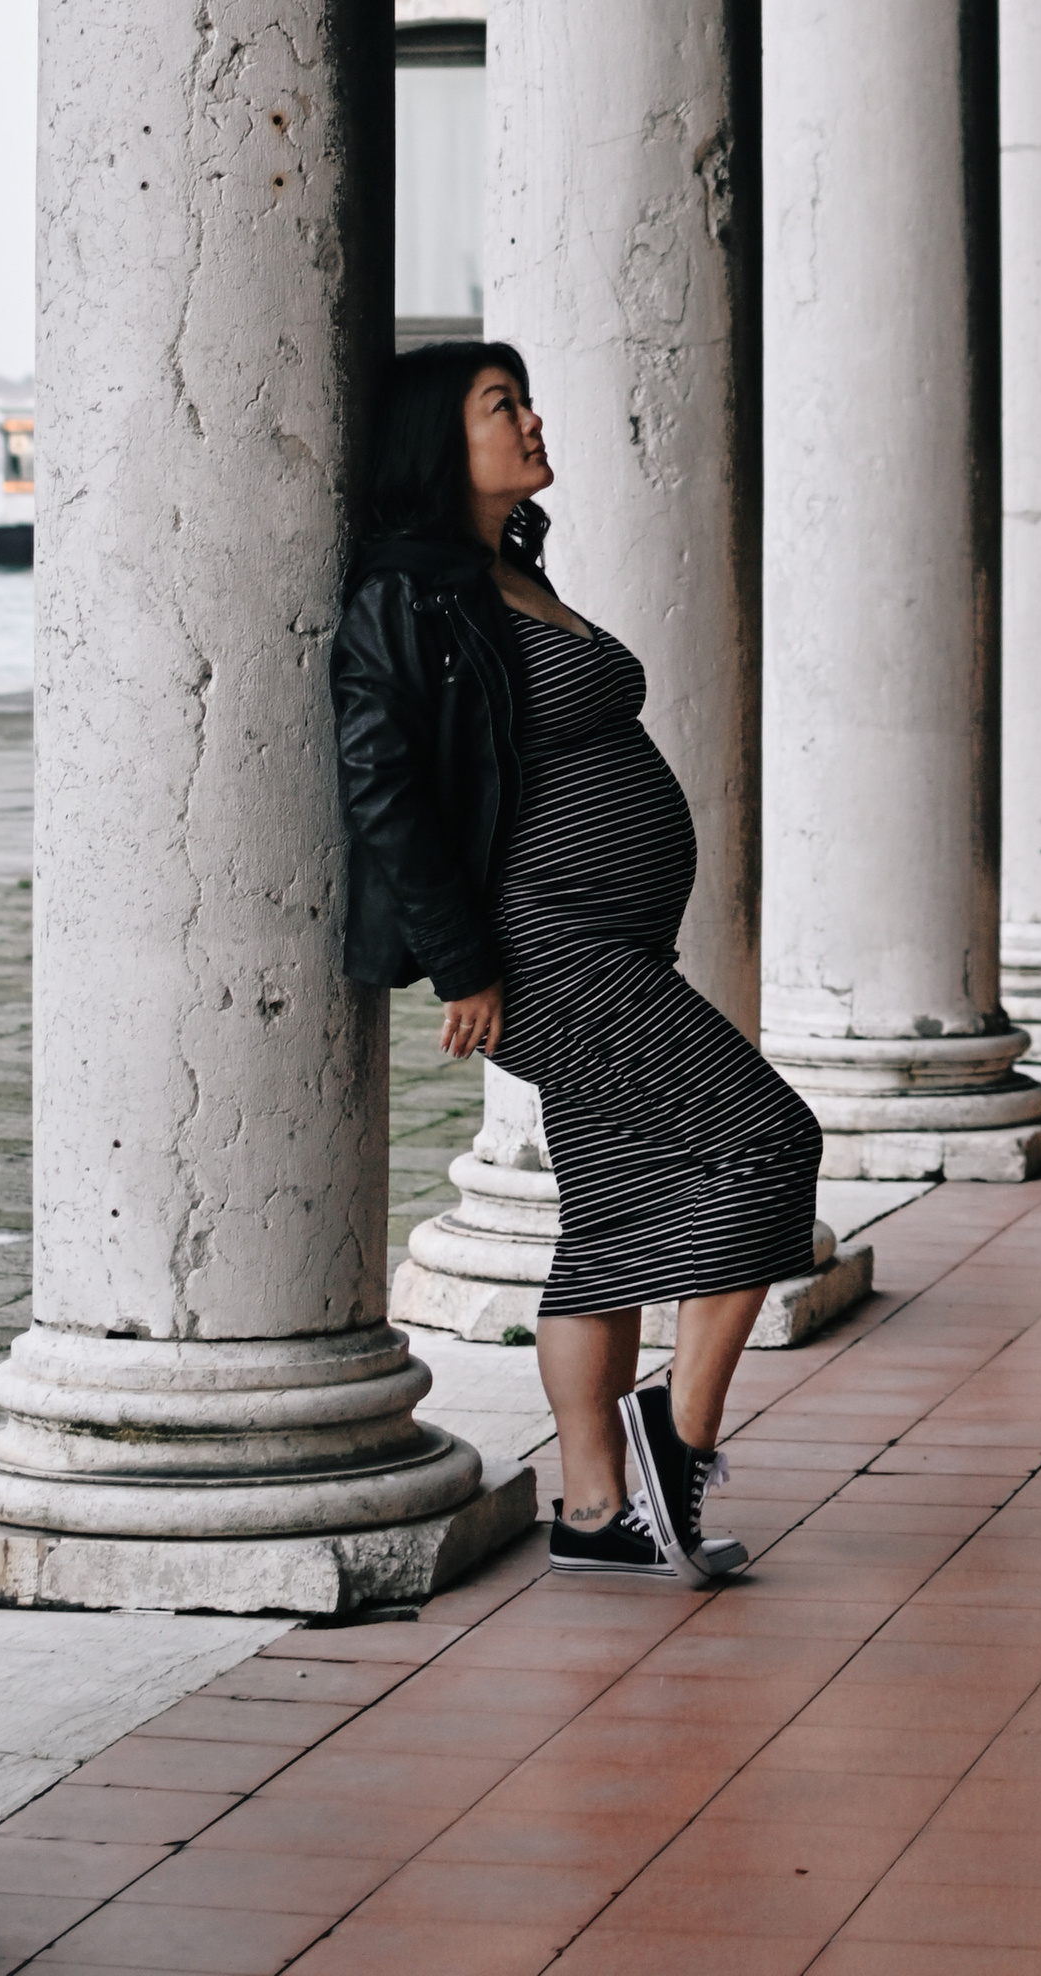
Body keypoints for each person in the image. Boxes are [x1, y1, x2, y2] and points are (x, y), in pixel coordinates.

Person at [333, 339, 823, 1587]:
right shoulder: (409, 595)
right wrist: (463, 966)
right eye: (503, 406)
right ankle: (678, 1432)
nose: (532, 418)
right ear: (442, 442)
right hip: (546, 944)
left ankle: (597, 1513)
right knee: (769, 1139)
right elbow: (382, 785)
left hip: (613, 936)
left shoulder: (502, 571)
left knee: (604, 1226)